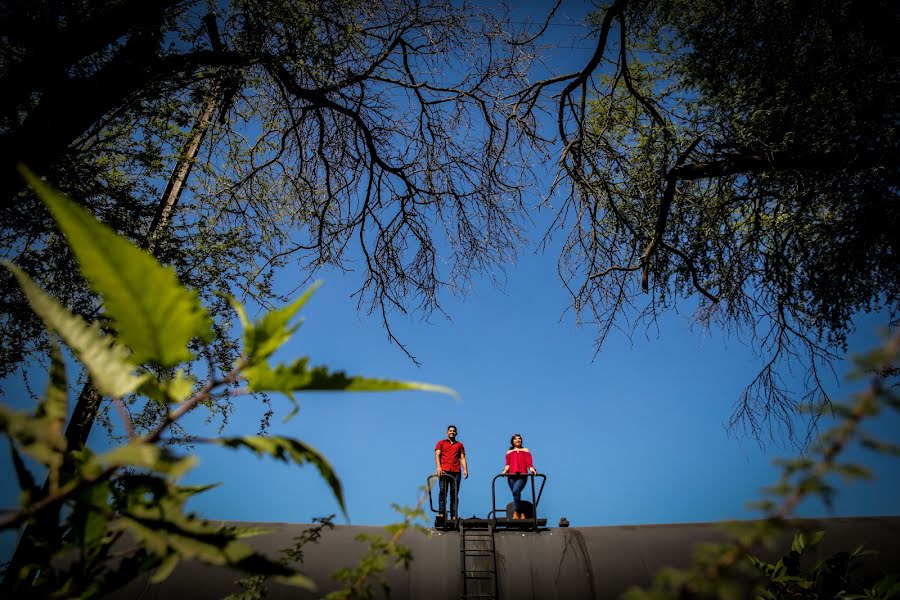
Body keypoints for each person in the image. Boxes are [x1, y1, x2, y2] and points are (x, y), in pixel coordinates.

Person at [435, 424, 468, 520]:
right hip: (444, 470)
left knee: (454, 494)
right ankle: (442, 513)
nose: (452, 432)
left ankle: (454, 515)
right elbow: (437, 455)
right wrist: (439, 467)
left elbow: (462, 457)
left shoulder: (460, 445)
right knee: (442, 492)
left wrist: (465, 469)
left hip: (456, 471)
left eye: (454, 431)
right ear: (447, 432)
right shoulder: (441, 443)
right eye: (450, 431)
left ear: (456, 433)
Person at [501, 433, 537, 520]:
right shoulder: (509, 452)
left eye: (519, 438)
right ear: (512, 441)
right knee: (515, 493)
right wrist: (505, 471)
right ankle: (521, 513)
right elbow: (508, 464)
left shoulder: (525, 450)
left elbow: (529, 462)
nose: (518, 440)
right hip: (511, 476)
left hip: (522, 475)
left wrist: (532, 469)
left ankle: (516, 512)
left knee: (516, 490)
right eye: (516, 439)